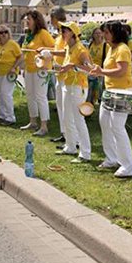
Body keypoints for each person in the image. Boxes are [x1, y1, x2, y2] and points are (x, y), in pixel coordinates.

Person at [90, 20, 132, 178]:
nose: (104, 35)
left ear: (116, 33)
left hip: (122, 92)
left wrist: (101, 72)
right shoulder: (110, 48)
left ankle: (128, 165)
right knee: (105, 124)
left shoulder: (122, 49)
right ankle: (111, 158)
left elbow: (121, 71)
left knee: (117, 126)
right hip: (110, 91)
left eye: (107, 32)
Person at [54, 21, 93, 163]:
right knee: (67, 117)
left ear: (73, 33)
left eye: (65, 30)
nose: (62, 32)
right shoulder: (68, 48)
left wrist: (72, 66)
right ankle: (70, 146)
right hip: (68, 84)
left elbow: (89, 68)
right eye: (61, 30)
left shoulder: (80, 49)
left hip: (78, 86)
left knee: (78, 119)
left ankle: (85, 153)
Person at [19, 9, 55, 136]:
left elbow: (54, 48)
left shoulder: (43, 33)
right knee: (30, 95)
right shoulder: (29, 35)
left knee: (40, 97)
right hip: (29, 69)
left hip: (41, 70)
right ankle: (33, 121)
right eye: (26, 19)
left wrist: (43, 50)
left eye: (29, 19)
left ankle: (44, 125)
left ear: (36, 20)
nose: (26, 21)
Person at [0, 28, 21, 125]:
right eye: (1, 32)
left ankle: (10, 117)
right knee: (0, 94)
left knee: (6, 94)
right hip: (0, 72)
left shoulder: (13, 44)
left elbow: (20, 57)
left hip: (10, 73)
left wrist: (14, 67)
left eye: (6, 32)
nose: (3, 34)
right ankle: (2, 115)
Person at [48, 7, 68, 143]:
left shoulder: (65, 32)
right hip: (58, 72)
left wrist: (51, 53)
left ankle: (70, 136)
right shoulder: (59, 34)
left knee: (66, 107)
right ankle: (64, 133)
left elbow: (66, 52)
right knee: (60, 106)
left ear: (55, 18)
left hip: (66, 74)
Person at [86, 26, 106, 107]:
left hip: (100, 71)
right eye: (96, 33)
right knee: (90, 88)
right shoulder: (91, 44)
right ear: (93, 35)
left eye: (99, 33)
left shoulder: (105, 45)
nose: (98, 35)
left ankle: (100, 104)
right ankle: (89, 105)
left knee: (99, 89)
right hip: (90, 70)